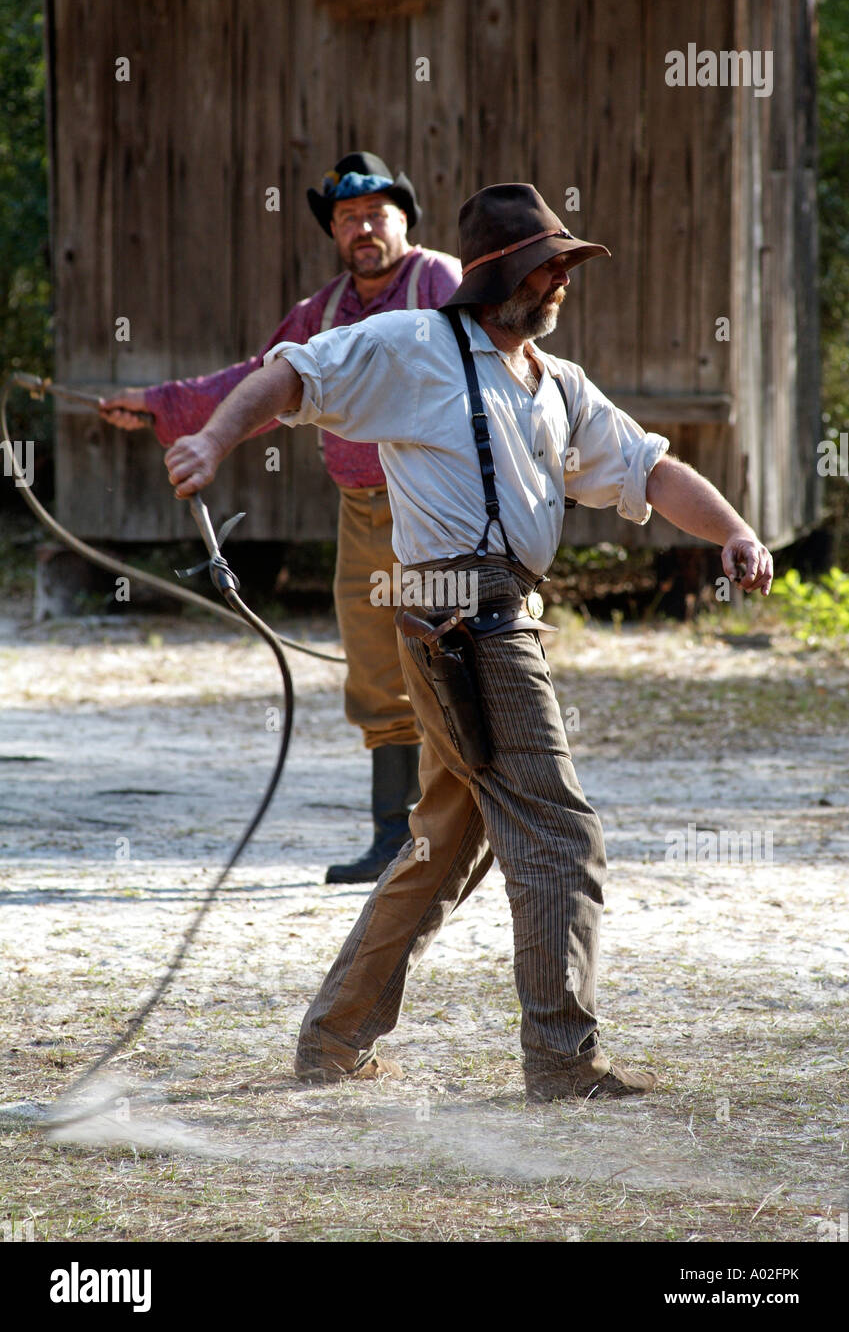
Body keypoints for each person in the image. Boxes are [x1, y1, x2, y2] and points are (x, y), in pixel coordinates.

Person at [161, 183, 773, 1102]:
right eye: (550, 266)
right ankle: (563, 1063)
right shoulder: (414, 347)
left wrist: (732, 530)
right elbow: (293, 372)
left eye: (565, 264)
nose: (563, 281)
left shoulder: (557, 382)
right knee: (562, 834)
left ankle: (332, 1043)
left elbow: (648, 465)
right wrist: (211, 439)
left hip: (496, 610)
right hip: (462, 615)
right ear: (503, 276)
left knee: (447, 843)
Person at [100, 152, 462, 885]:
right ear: (334, 232)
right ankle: (396, 840)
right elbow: (255, 383)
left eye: (375, 214)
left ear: (404, 219)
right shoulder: (319, 313)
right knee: (373, 670)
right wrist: (161, 405)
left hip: (440, 506)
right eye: (346, 219)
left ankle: (467, 829)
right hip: (362, 512)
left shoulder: (441, 283)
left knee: (458, 660)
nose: (362, 229)